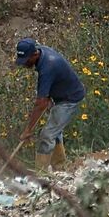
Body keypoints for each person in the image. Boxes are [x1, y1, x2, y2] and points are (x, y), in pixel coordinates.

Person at [13, 36, 85, 169]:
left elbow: (41, 103)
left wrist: (28, 130)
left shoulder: (48, 66)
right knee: (54, 131)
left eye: (26, 60)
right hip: (59, 96)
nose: (24, 63)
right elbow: (43, 100)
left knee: (47, 136)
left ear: (35, 54)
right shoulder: (40, 52)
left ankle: (41, 173)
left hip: (69, 99)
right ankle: (60, 165)